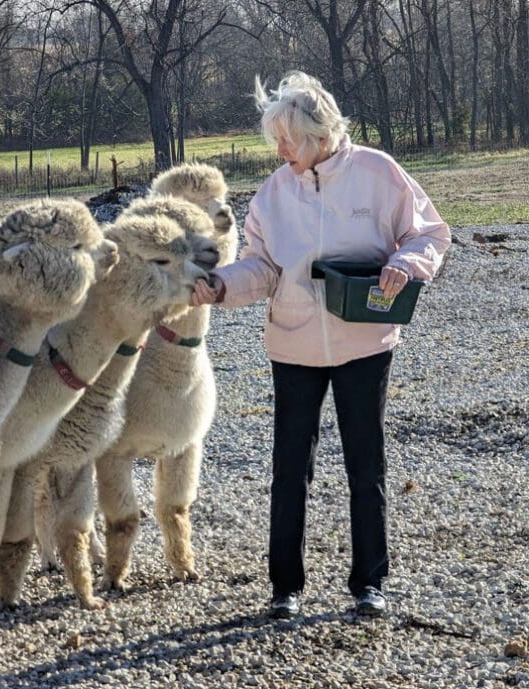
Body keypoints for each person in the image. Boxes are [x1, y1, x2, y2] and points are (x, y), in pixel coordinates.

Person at [192, 71, 450, 619]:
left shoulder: (380, 173)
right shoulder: (273, 193)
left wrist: (404, 265)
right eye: (276, 139)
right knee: (289, 468)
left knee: (366, 462)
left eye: (287, 138)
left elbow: (429, 234)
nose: (279, 149)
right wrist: (219, 287)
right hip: (293, 348)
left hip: (365, 342)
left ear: (319, 131)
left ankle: (369, 584)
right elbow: (261, 268)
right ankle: (285, 588)